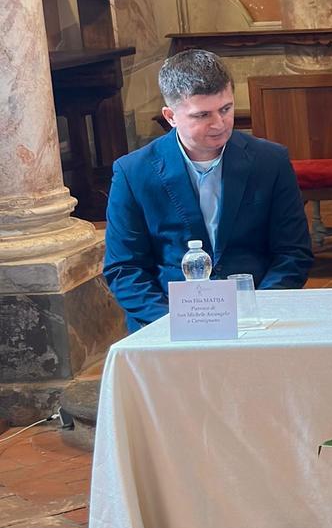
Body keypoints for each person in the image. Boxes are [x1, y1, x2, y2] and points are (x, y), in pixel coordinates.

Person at [103, 49, 312, 331]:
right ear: (171, 116)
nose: (219, 123)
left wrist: (258, 310)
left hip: (257, 316)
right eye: (202, 115)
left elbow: (293, 253)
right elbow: (124, 268)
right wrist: (172, 323)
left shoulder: (270, 161)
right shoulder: (133, 172)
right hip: (166, 318)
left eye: (225, 109)